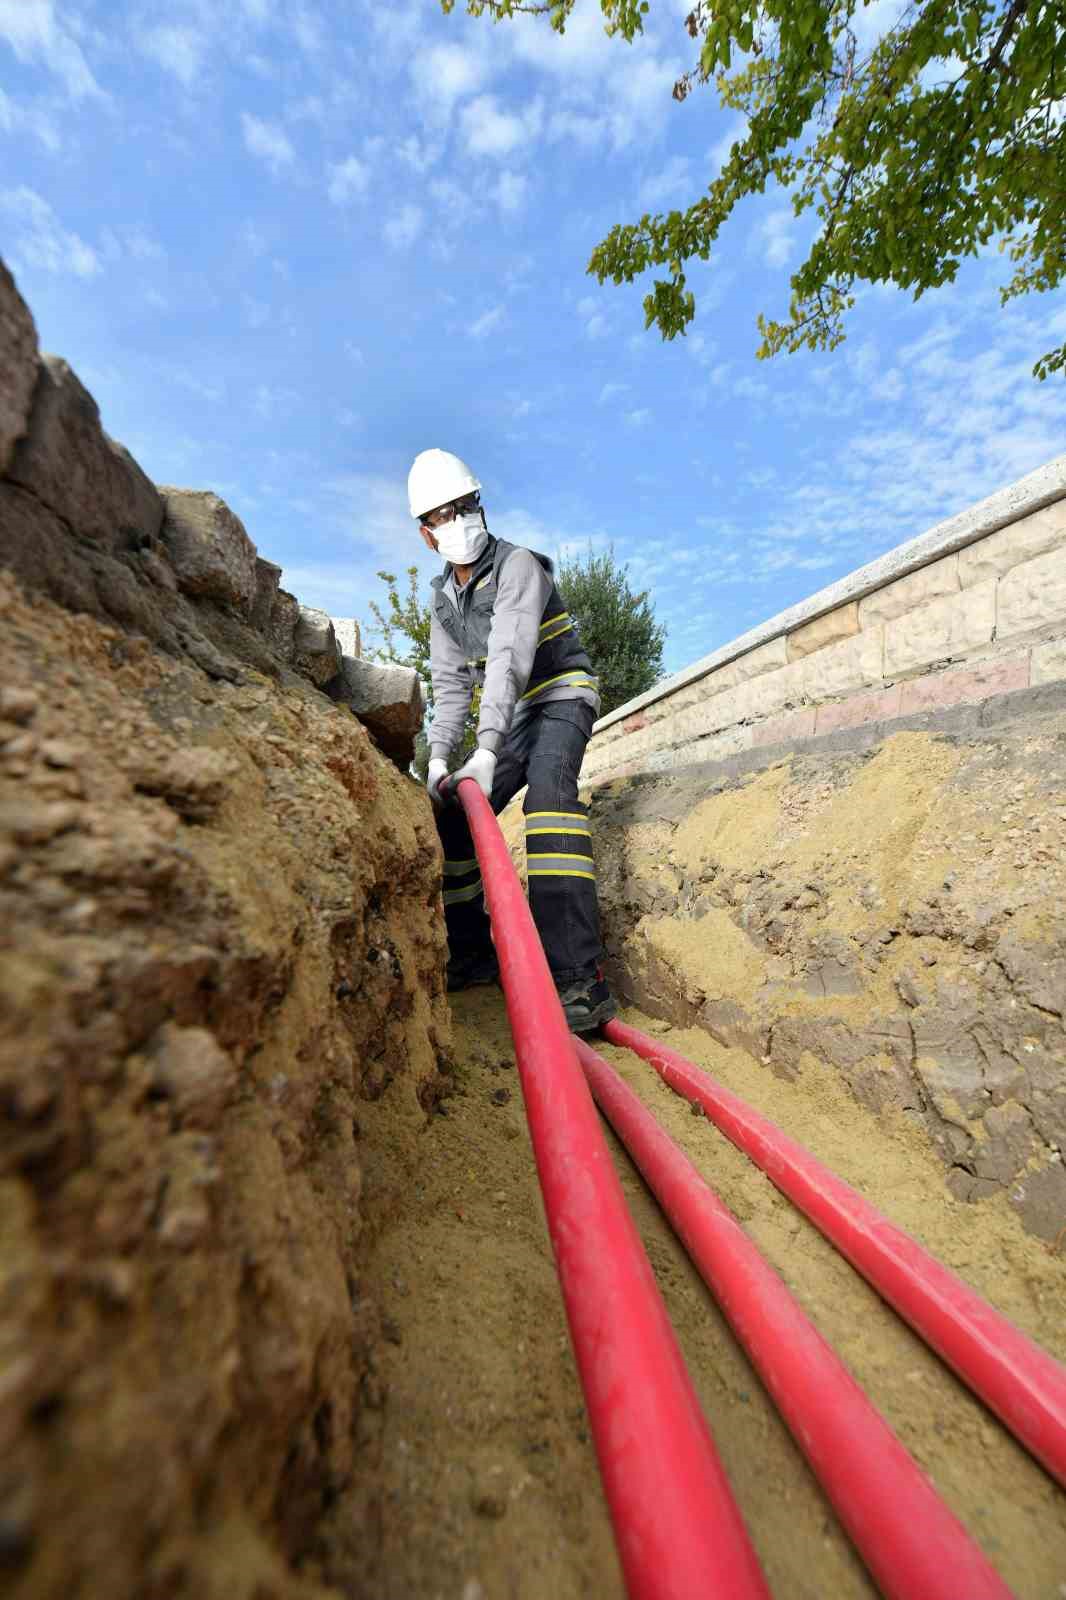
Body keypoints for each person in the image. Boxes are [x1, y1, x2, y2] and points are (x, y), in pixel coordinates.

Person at [408, 447, 616, 1035]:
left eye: (465, 506)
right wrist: (442, 759)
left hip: (562, 694)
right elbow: (449, 688)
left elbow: (507, 658)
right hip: (520, 710)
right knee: (452, 817)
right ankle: (473, 955)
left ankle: (579, 979)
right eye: (443, 515)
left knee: (549, 801)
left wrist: (489, 746)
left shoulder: (519, 564)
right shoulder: (442, 601)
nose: (459, 521)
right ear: (426, 536)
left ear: (481, 504)